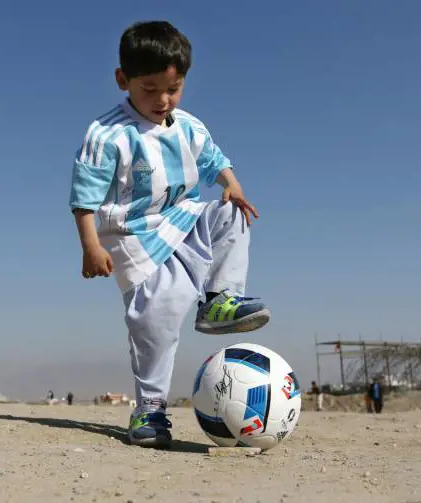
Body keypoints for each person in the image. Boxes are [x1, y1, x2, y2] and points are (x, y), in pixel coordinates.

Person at [69, 21, 270, 449]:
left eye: (173, 88)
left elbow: (214, 159)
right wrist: (90, 246)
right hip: (133, 237)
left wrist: (230, 183)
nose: (162, 100)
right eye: (150, 88)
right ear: (123, 80)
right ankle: (150, 410)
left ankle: (219, 300)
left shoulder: (189, 127)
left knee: (231, 212)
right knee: (156, 318)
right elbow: (84, 196)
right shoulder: (107, 135)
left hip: (182, 218)